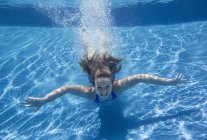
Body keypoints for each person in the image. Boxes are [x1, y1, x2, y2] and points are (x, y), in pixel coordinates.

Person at [21, 28, 182, 108]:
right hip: (94, 67)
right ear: (93, 86)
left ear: (113, 83)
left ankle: (101, 33)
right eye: (100, 87)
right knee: (90, 51)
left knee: (104, 52)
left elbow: (141, 78)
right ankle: (85, 34)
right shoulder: (90, 93)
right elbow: (66, 88)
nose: (104, 91)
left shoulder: (117, 88)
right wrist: (44, 100)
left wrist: (169, 82)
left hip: (105, 67)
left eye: (106, 87)